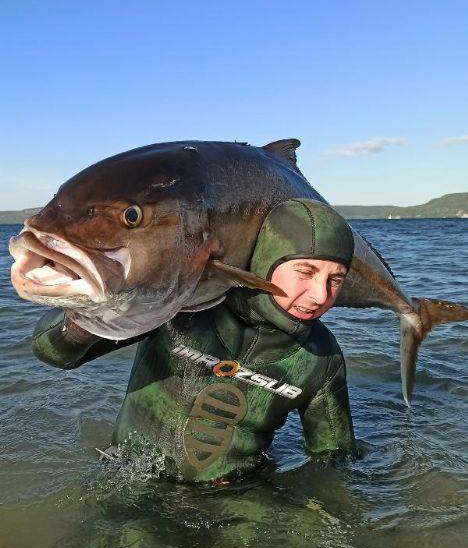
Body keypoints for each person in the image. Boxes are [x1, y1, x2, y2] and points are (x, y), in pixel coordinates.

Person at [32, 199, 356, 483]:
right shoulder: (184, 305)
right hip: (135, 480)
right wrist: (95, 314)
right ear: (266, 260)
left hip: (238, 493)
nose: (319, 295)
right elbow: (55, 353)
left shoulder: (321, 358)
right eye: (305, 272)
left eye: (335, 279)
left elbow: (333, 458)